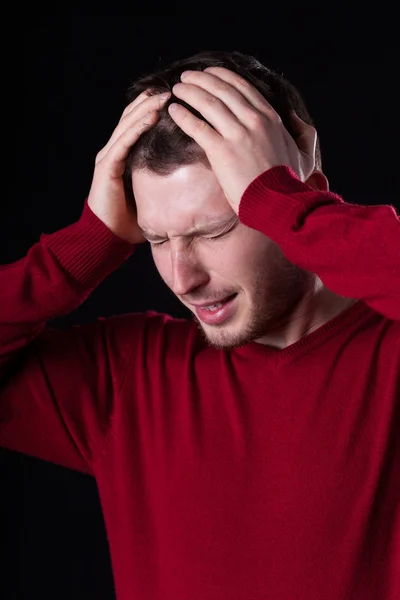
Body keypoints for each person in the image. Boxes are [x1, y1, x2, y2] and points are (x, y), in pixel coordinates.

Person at [0, 50, 399, 600]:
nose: (182, 279)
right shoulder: (127, 379)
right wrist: (79, 251)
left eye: (213, 231)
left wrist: (297, 208)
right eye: (158, 240)